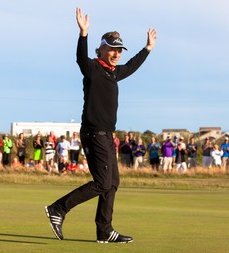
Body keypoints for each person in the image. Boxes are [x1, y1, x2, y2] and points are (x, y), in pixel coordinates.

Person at [45, 7, 157, 244]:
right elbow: (79, 58)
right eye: (112, 49)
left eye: (119, 50)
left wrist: (147, 49)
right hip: (93, 133)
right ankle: (58, 208)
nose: (116, 54)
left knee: (113, 183)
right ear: (102, 48)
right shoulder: (93, 68)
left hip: (107, 136)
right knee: (102, 182)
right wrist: (83, 34)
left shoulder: (114, 73)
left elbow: (133, 65)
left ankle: (104, 230)